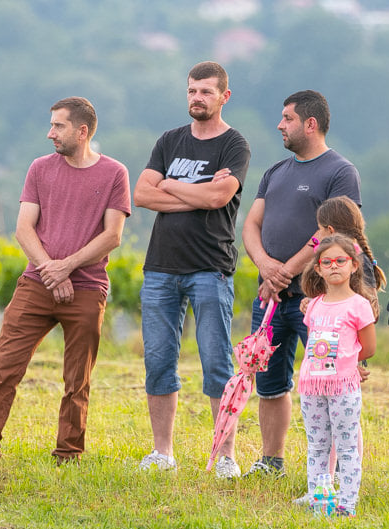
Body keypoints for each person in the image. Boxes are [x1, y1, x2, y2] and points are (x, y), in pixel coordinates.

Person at [0, 97, 131, 465]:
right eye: (51, 125)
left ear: (82, 131)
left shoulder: (114, 173)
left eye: (58, 126)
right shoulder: (40, 168)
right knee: (5, 366)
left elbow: (112, 236)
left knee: (78, 378)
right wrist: (50, 270)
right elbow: (24, 229)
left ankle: (68, 453)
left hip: (87, 289)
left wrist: (66, 267)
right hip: (36, 284)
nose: (50, 133)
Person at [134, 61, 251, 477]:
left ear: (224, 96)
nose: (196, 98)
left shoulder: (234, 145)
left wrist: (170, 184)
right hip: (161, 269)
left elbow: (220, 197)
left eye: (205, 91)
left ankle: (225, 458)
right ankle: (163, 453)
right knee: (159, 361)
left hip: (210, 268)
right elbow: (142, 193)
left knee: (217, 363)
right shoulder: (170, 140)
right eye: (191, 91)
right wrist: (195, 194)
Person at [240, 90, 361, 477]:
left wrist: (285, 271)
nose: (280, 125)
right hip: (270, 299)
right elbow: (251, 224)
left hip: (319, 302)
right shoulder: (275, 172)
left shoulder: (340, 172)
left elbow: (334, 233)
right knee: (270, 382)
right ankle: (271, 460)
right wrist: (264, 266)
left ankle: (343, 470)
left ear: (311, 124)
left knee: (332, 385)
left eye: (287, 118)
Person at [293, 234, 376, 516]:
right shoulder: (314, 305)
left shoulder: (359, 305)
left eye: (341, 260)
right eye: (326, 262)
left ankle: (346, 503)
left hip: (343, 388)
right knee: (317, 445)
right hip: (311, 386)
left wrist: (351, 362)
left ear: (353, 265)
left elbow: (369, 346)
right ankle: (320, 499)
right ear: (318, 268)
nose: (334, 266)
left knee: (346, 446)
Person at [312, 195, 386, 477]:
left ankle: (343, 476)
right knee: (337, 418)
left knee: (343, 420)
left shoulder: (350, 260)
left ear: (330, 230)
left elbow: (361, 312)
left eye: (319, 229)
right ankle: (333, 477)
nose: (317, 235)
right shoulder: (351, 257)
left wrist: (353, 360)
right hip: (337, 352)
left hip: (348, 354)